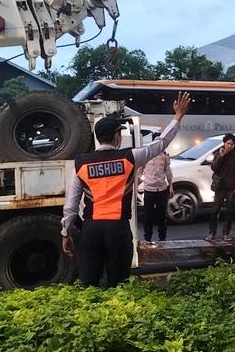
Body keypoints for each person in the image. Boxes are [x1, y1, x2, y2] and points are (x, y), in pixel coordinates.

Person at [60, 92, 190, 288]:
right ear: (116, 137)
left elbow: (71, 206)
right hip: (118, 230)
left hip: (91, 230)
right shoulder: (129, 158)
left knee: (89, 285)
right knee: (118, 284)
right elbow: (160, 143)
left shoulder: (81, 164)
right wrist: (177, 116)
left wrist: (65, 232)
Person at [206, 133, 235, 241]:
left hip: (231, 188)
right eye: (228, 143)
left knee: (229, 211)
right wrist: (221, 156)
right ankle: (212, 233)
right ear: (224, 143)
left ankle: (226, 234)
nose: (230, 146)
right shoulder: (219, 154)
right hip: (220, 187)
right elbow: (214, 167)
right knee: (214, 211)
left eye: (232, 144)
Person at [139, 148, 173, 243]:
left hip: (162, 189)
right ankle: (147, 238)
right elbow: (140, 170)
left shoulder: (164, 156)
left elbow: (168, 172)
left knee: (162, 216)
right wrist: (137, 181)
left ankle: (162, 238)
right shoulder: (146, 156)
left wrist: (171, 187)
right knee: (148, 216)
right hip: (149, 189)